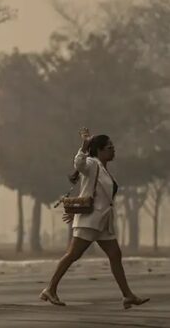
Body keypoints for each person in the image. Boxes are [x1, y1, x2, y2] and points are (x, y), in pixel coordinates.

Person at [40, 127, 149, 309]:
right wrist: (84, 145)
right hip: (90, 220)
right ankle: (50, 289)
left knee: (115, 255)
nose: (113, 149)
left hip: (103, 222)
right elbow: (79, 163)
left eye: (113, 146)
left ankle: (127, 295)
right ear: (99, 150)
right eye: (109, 147)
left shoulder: (104, 169)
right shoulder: (92, 164)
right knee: (72, 255)